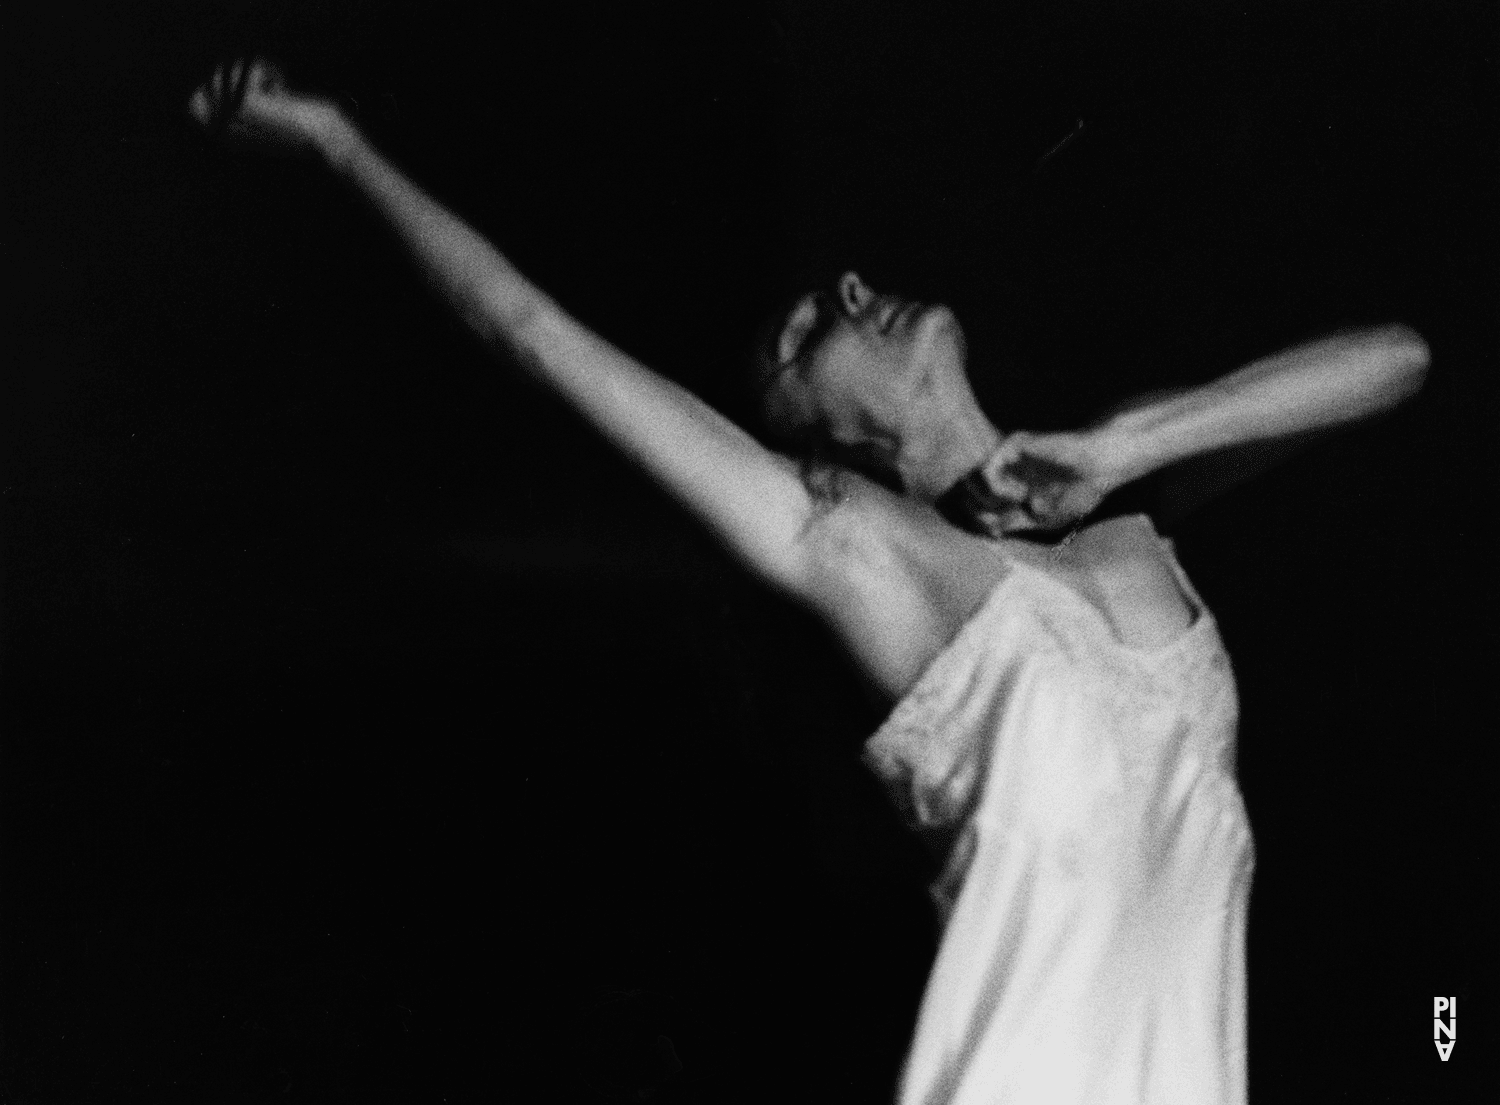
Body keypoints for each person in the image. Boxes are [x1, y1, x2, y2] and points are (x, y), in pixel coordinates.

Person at [189, 59, 1430, 1105]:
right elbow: (524, 326)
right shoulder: (852, 549)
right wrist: (340, 144)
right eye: (800, 338)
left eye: (833, 291)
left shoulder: (1122, 496)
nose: (845, 296)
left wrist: (1131, 444)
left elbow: (1395, 362)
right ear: (818, 439)